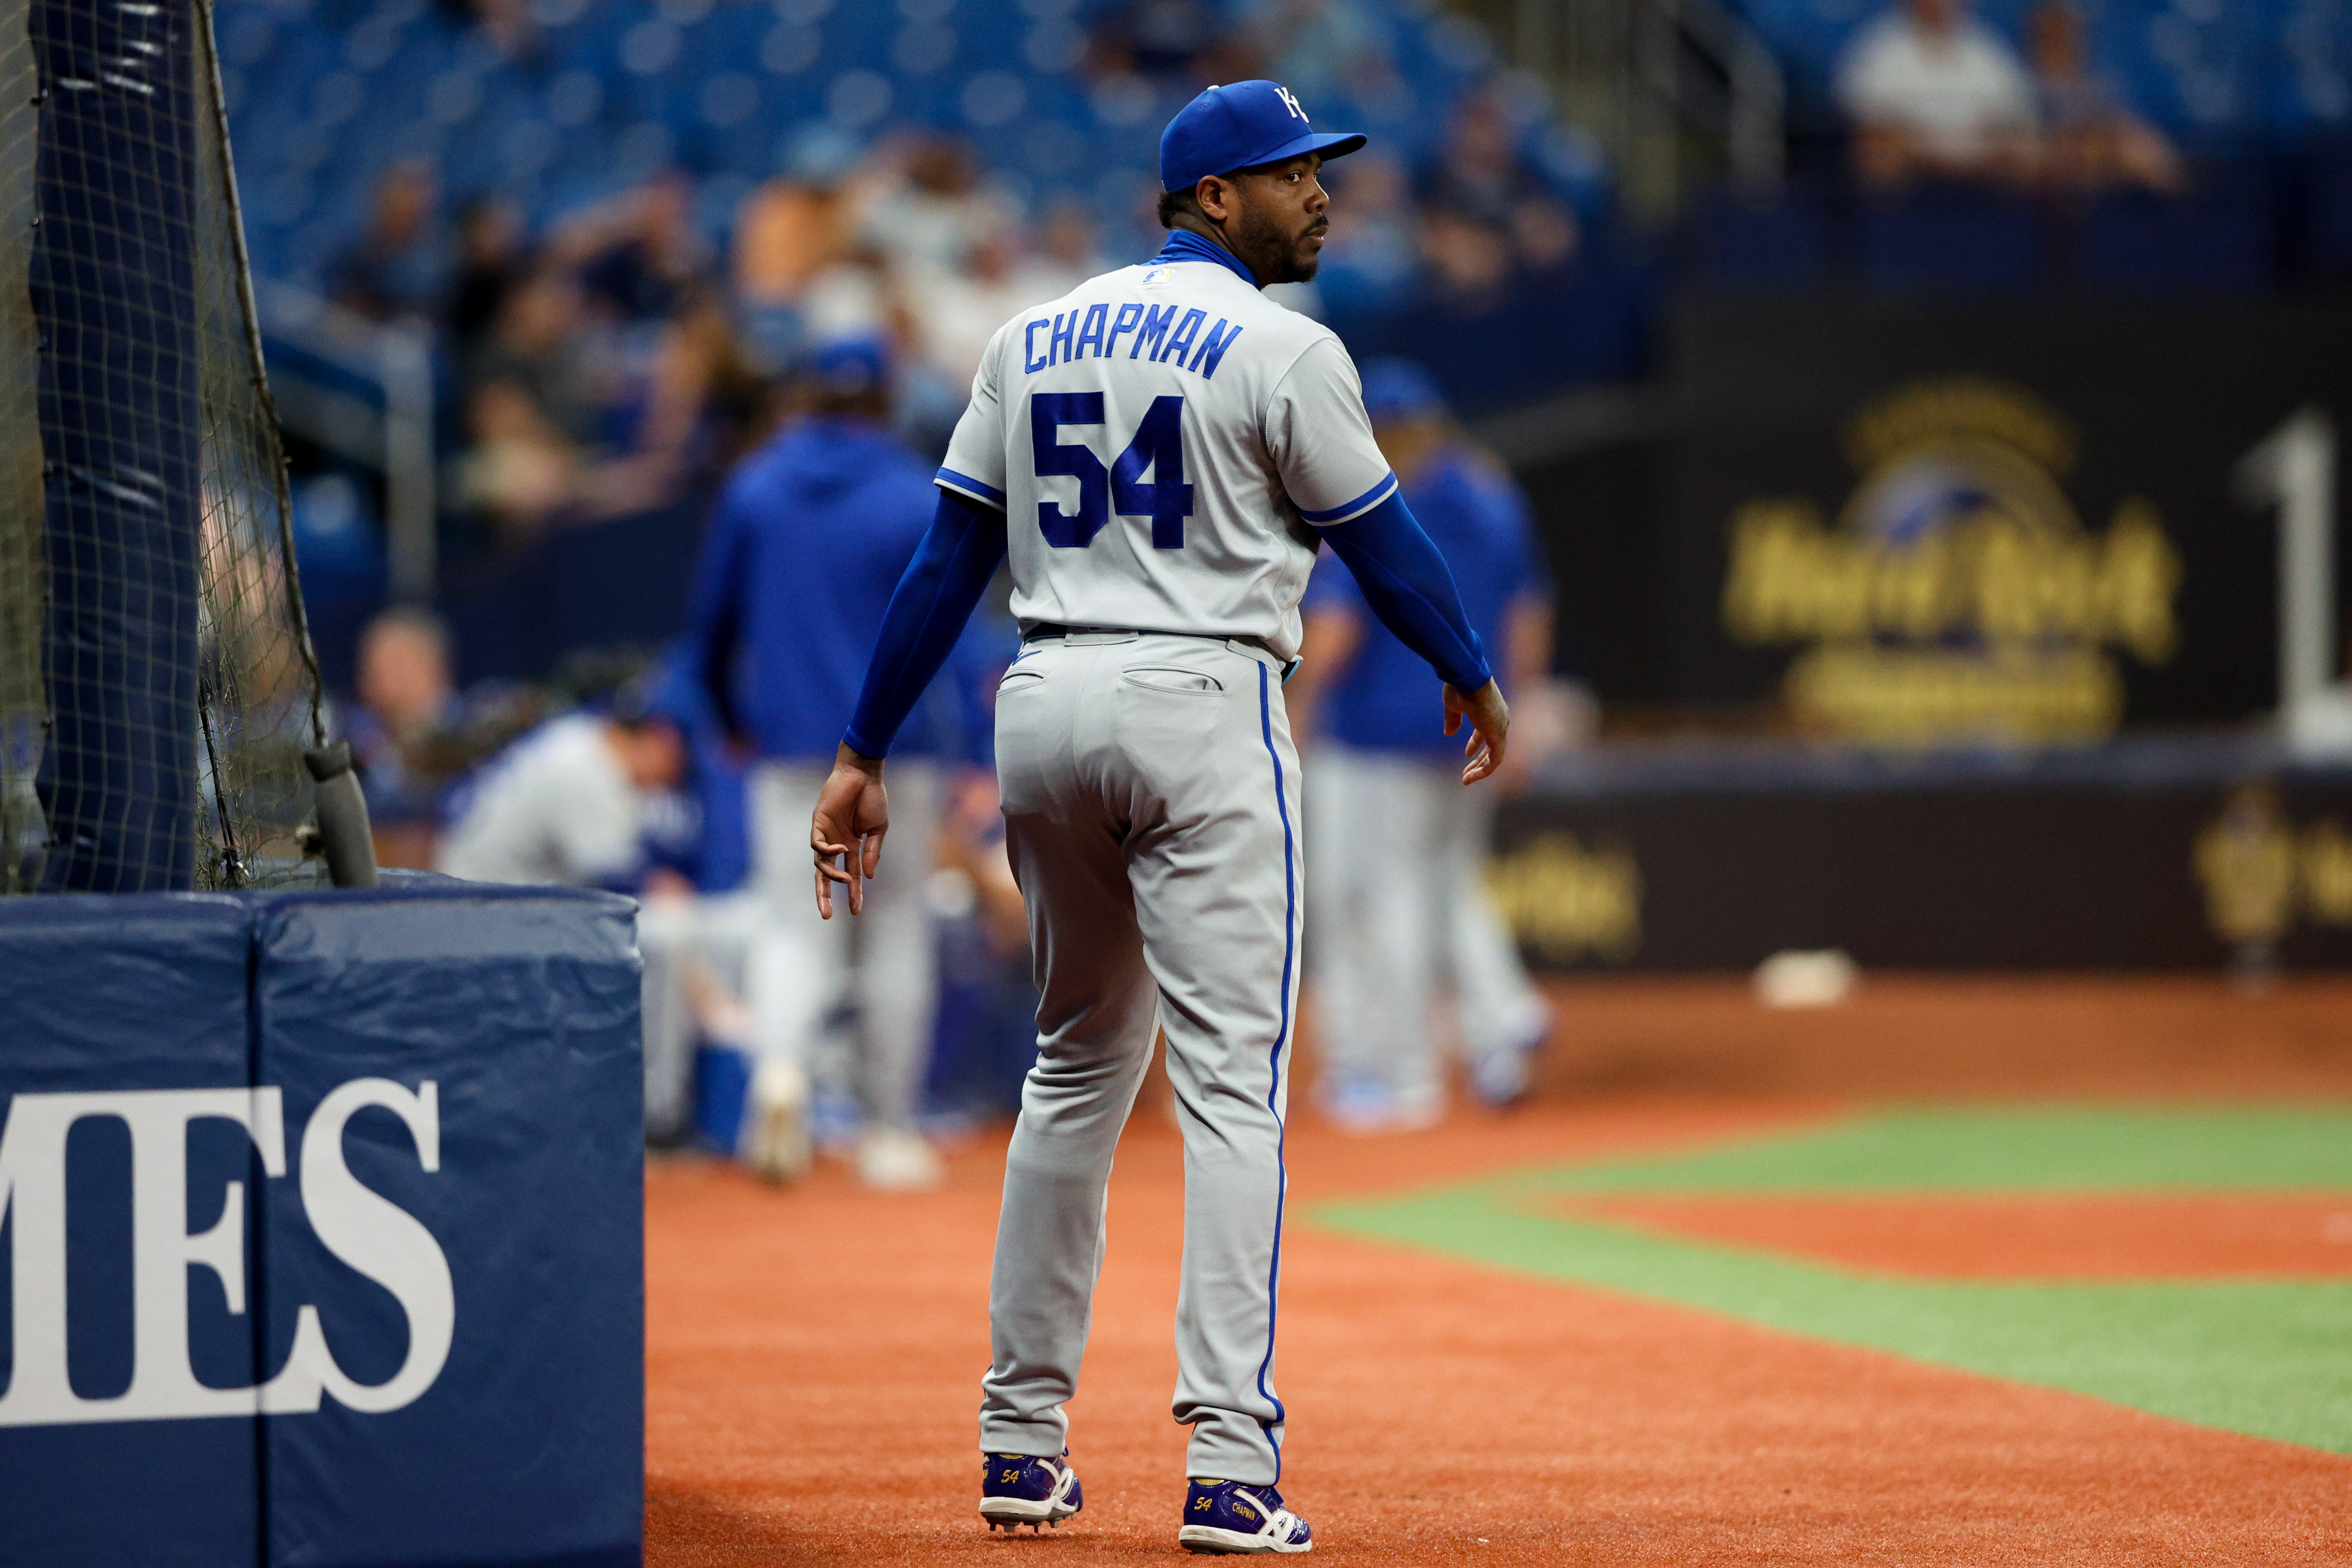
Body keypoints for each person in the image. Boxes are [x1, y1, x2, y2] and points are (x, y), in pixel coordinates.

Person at [803, 80, 1512, 1554]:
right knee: (1229, 1089)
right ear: (1209, 198)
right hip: (1202, 699)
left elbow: (946, 565)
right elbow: (1383, 544)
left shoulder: (1025, 333)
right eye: (1289, 175)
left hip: (1046, 696)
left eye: (1319, 171)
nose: (1317, 193)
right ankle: (1231, 1463)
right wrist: (1468, 666)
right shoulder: (1284, 344)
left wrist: (862, 742)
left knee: (1071, 1071)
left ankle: (1019, 1438)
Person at [683, 336, 963, 1193]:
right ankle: (885, 1129)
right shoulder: (914, 493)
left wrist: (734, 723)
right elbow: (948, 632)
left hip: (790, 747)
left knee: (791, 925)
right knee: (895, 928)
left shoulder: (757, 484)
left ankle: (781, 1072)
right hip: (895, 752)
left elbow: (709, 632)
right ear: (882, 400)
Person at [1291, 360, 1558, 1132]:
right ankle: (1499, 1021)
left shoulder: (1371, 499)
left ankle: (1401, 1073)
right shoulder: (1493, 494)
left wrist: (1294, 706)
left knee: (1387, 901)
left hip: (1376, 730)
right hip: (1470, 719)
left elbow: (1336, 628)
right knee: (1447, 886)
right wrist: (1522, 709)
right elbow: (1529, 609)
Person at [1837, 0, 2041, 190]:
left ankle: (2016, 227)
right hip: (1914, 157)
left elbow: (2016, 113)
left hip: (1979, 155)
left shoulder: (1985, 46)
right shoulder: (1880, 45)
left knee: (2031, 151)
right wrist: (1932, 147)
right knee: (1878, 153)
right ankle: (1889, 226)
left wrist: (1969, 148)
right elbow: (1866, 117)